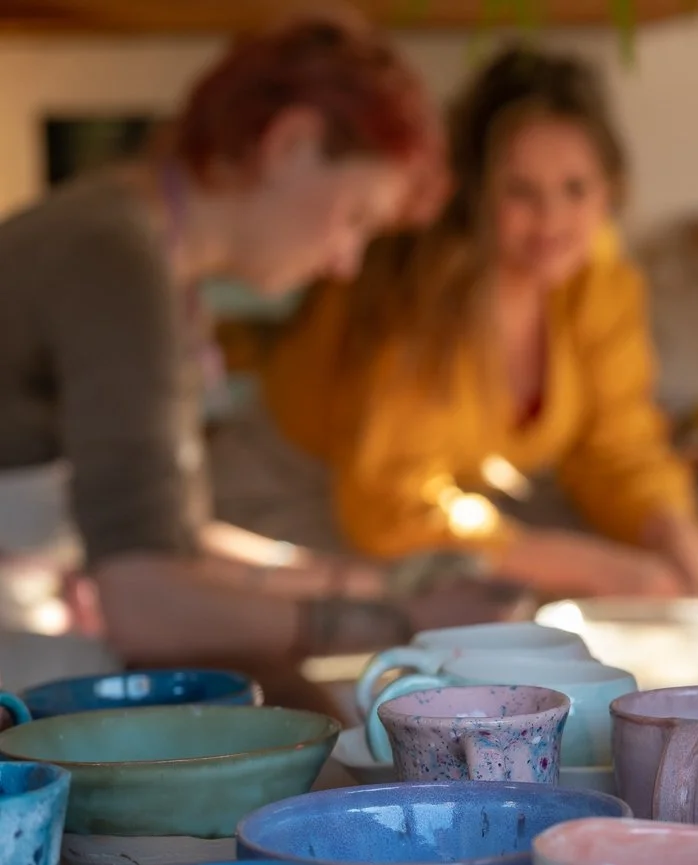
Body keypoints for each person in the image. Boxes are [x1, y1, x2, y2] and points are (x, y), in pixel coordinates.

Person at [0, 14, 517, 713]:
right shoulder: (114, 260)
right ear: (290, 143)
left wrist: (358, 582)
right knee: (302, 718)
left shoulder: (138, 242)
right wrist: (400, 623)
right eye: (356, 217)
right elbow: (145, 602)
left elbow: (168, 537)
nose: (346, 262)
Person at [216, 46, 698, 601]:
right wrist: (597, 568)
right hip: (307, 499)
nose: (552, 218)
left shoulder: (597, 279)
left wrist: (675, 537)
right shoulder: (421, 286)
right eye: (521, 192)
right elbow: (393, 504)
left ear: (610, 190)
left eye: (575, 189)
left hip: (463, 507)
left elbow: (617, 449)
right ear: (476, 193)